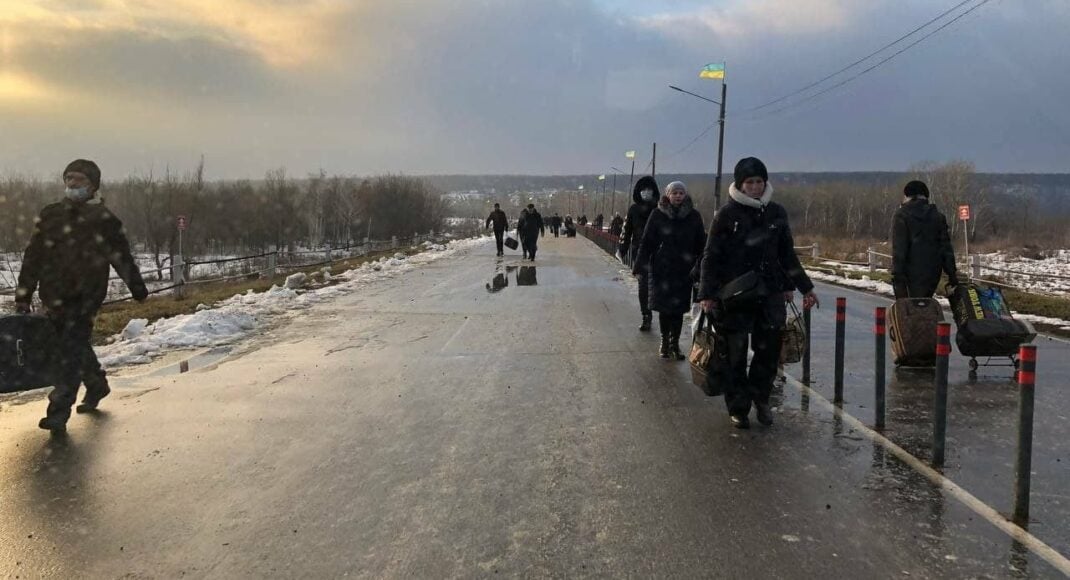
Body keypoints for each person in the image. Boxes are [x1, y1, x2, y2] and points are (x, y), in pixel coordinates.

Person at [15, 159, 148, 432]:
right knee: (71, 346)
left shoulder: (105, 221)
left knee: (69, 352)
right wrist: (23, 294)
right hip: (53, 296)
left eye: (79, 180)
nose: (72, 184)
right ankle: (97, 384)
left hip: (85, 297)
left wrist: (136, 286)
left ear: (93, 186)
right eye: (69, 178)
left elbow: (121, 257)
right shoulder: (51, 215)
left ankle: (58, 411)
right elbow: (34, 256)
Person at [698, 157, 819, 430]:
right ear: (740, 185)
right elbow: (711, 256)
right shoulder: (727, 215)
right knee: (735, 353)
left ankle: (760, 398)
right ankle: (738, 407)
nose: (755, 187)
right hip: (734, 296)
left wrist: (803, 287)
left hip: (770, 293)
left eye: (759, 182)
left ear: (766, 183)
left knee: (768, 353)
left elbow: (787, 255)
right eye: (749, 182)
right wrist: (707, 293)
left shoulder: (776, 213)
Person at [633, 181, 706, 361]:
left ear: (685, 195)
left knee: (679, 309)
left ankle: (675, 344)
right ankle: (665, 341)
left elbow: (702, 245)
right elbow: (647, 241)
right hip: (662, 269)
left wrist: (702, 268)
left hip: (684, 270)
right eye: (674, 193)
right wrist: (640, 266)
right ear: (668, 195)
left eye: (681, 193)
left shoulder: (693, 216)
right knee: (665, 308)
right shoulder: (657, 215)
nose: (678, 196)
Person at [891, 180, 959, 299]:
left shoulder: (902, 215)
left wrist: (897, 275)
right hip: (932, 274)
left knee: (909, 310)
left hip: (909, 274)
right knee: (925, 305)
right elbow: (946, 248)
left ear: (907, 195)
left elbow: (899, 249)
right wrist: (952, 273)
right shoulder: (938, 217)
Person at [618, 175, 659, 331]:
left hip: (658, 254)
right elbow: (626, 231)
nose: (646, 192)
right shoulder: (634, 210)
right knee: (643, 286)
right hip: (640, 254)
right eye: (643, 190)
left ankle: (661, 315)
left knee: (658, 286)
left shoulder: (659, 208)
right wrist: (622, 248)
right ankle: (646, 315)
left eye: (649, 190)